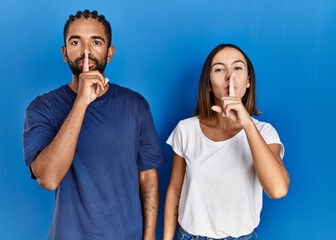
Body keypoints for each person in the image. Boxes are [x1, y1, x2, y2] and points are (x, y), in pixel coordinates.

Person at [23, 9, 166, 240]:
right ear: (64, 52)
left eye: (96, 42)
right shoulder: (42, 108)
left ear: (109, 53)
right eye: (76, 41)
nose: (86, 51)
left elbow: (148, 178)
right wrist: (81, 102)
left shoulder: (135, 105)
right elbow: (48, 179)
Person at [163, 44, 290, 240]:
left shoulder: (264, 132)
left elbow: (278, 189)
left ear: (248, 81)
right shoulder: (186, 129)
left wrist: (247, 124)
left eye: (238, 68)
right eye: (220, 69)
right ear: (208, 83)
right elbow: (174, 190)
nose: (230, 76)